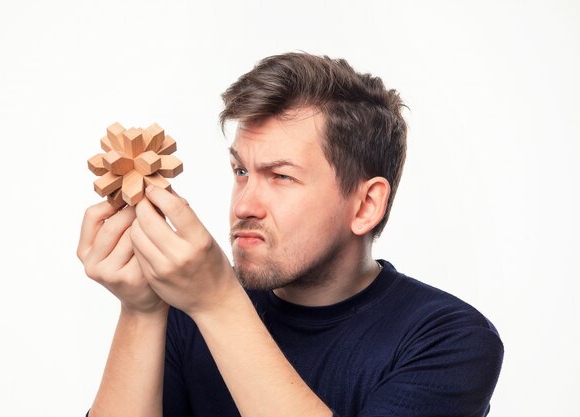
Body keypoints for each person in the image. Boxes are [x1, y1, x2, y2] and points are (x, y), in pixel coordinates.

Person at [78, 52, 503, 417]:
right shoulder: (186, 312)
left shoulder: (450, 340)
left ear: (366, 204)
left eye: (280, 176)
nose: (243, 205)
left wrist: (219, 302)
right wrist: (142, 309)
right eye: (240, 171)